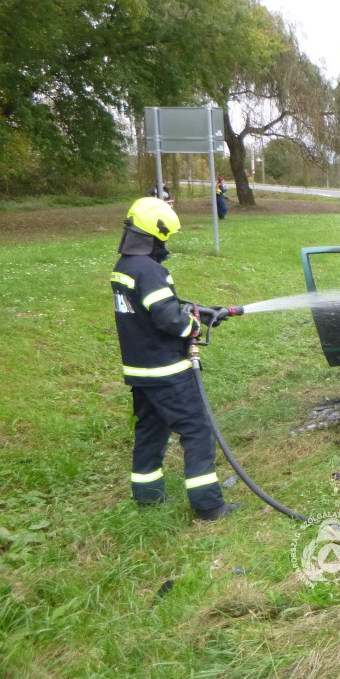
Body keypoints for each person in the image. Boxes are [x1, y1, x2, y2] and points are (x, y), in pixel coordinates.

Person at [110, 197, 243, 519]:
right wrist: (193, 325)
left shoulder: (124, 268)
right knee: (197, 430)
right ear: (156, 234)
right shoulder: (150, 270)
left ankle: (147, 497)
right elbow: (169, 319)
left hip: (140, 370)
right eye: (165, 237)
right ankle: (209, 506)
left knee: (150, 431)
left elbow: (154, 308)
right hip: (167, 371)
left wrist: (200, 311)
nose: (166, 244)